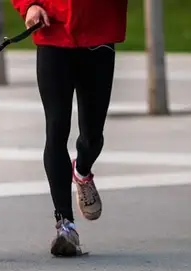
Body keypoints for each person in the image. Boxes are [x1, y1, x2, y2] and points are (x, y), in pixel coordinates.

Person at [10, 0, 128, 256]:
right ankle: (65, 225)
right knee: (55, 130)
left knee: (93, 135)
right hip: (53, 34)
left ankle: (82, 170)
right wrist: (29, 6)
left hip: (99, 36)